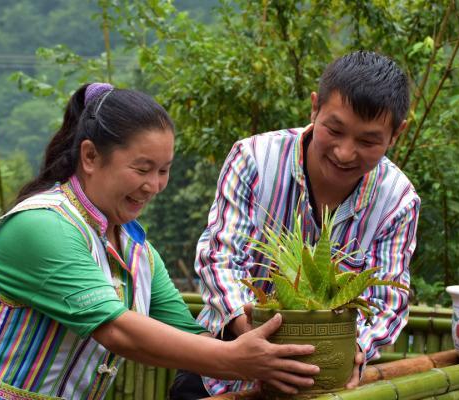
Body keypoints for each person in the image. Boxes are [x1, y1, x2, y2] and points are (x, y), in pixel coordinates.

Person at [0, 83, 320, 399]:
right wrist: (235, 360)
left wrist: (265, 349)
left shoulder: (136, 250)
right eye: (142, 169)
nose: (154, 185)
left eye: (164, 170)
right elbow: (117, 329)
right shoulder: (42, 226)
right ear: (90, 156)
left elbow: (189, 336)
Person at [173, 50, 421, 398]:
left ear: (396, 134)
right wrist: (251, 337)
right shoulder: (255, 159)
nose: (345, 152)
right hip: (220, 376)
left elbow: (387, 300)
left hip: (321, 387)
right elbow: (220, 257)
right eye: (334, 130)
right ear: (315, 108)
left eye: (367, 141)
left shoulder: (397, 201)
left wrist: (354, 349)